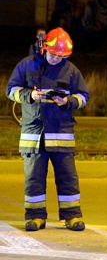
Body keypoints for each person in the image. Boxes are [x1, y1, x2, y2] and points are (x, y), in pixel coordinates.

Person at [6, 27, 89, 232]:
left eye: (61, 56)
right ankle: (35, 217)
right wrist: (28, 96)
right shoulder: (26, 65)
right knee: (34, 178)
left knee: (68, 177)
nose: (57, 59)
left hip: (61, 134)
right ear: (45, 48)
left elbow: (83, 96)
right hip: (34, 134)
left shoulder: (70, 69)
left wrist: (68, 101)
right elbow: (11, 90)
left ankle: (72, 216)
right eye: (54, 55)